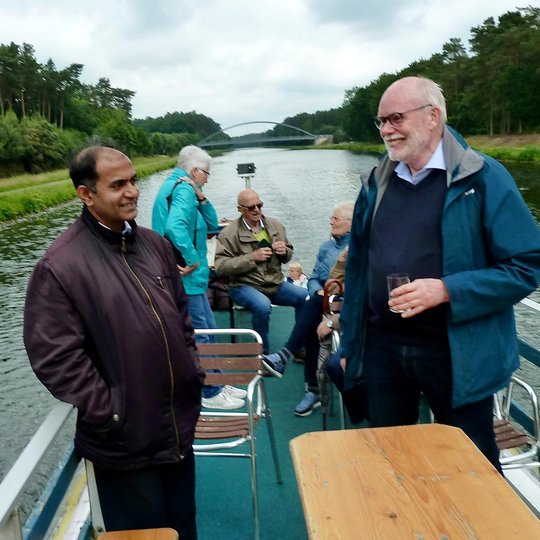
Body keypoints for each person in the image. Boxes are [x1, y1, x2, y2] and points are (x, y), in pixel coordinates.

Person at [340, 76, 540, 471]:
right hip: (383, 346)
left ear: (433, 117)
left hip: (455, 352)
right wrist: (351, 343)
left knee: (469, 461)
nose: (386, 130)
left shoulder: (482, 178)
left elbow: (527, 265)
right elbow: (359, 270)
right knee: (390, 455)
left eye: (395, 118)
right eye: (380, 122)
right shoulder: (376, 182)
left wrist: (447, 289)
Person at [23, 145, 202, 538]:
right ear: (85, 195)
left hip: (176, 428)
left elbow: (181, 317)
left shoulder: (154, 245)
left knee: (183, 526)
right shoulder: (60, 266)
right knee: (141, 534)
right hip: (125, 445)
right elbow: (55, 358)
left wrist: (192, 371)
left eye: (134, 180)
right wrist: (112, 411)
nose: (132, 191)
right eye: (117, 184)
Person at [152, 145, 246, 410]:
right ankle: (211, 391)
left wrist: (202, 198)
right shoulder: (183, 189)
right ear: (194, 170)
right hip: (187, 279)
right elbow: (174, 226)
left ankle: (217, 381)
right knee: (202, 333)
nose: (208, 177)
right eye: (206, 173)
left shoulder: (180, 186)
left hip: (191, 281)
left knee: (209, 328)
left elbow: (213, 223)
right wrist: (192, 258)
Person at [263, 202, 353, 416]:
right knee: (311, 307)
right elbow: (314, 277)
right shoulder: (326, 248)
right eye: (331, 218)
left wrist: (326, 296)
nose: (331, 221)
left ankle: (288, 361)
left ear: (351, 224)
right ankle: (310, 388)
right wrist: (317, 291)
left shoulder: (359, 249)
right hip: (322, 300)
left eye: (336, 219)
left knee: (310, 309)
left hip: (345, 303)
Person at [214, 188, 308, 354]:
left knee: (304, 297)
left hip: (274, 283)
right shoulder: (228, 234)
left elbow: (288, 254)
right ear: (240, 209)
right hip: (243, 286)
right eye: (251, 207)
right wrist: (252, 257)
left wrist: (284, 251)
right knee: (262, 305)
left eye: (259, 205)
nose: (256, 210)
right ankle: (263, 355)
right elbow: (221, 267)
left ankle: (298, 347)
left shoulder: (275, 226)